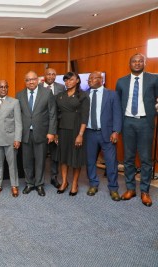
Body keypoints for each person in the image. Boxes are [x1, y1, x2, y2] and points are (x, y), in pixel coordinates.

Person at [116, 53, 158, 207]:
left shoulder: (154, 79)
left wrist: (155, 111)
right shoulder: (121, 82)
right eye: (134, 61)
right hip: (127, 123)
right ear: (130, 63)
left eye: (141, 61)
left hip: (145, 123)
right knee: (128, 158)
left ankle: (145, 191)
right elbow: (118, 105)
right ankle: (130, 189)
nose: (137, 63)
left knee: (146, 159)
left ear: (145, 63)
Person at [16, 71, 57, 197]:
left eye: (33, 79)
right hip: (26, 133)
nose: (31, 82)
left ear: (38, 80)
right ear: (25, 81)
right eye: (28, 80)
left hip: (42, 133)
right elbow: (17, 116)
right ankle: (29, 183)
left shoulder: (47, 93)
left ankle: (39, 184)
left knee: (40, 160)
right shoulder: (19, 95)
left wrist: (51, 132)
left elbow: (52, 113)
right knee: (27, 161)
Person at [85, 71, 122, 201]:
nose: (90, 80)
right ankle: (93, 184)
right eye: (89, 79)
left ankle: (113, 188)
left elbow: (117, 114)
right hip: (89, 133)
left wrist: (116, 131)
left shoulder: (112, 94)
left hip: (107, 133)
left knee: (111, 162)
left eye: (93, 78)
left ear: (101, 79)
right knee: (90, 161)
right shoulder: (84, 95)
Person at [55, 72, 90, 196]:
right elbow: (56, 114)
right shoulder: (60, 95)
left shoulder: (83, 96)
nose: (68, 82)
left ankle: (75, 183)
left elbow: (85, 117)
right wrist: (55, 133)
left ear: (77, 80)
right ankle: (64, 182)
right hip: (62, 129)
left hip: (76, 129)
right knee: (63, 157)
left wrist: (80, 134)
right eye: (66, 80)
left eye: (71, 79)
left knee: (76, 158)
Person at [0, 80, 22, 197]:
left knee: (12, 165)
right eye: (1, 87)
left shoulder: (14, 102)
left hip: (10, 139)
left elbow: (18, 122)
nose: (3, 89)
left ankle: (14, 185)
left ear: (7, 88)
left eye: (5, 87)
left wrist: (17, 139)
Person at [41, 68, 65, 188]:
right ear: (44, 75)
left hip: (57, 125)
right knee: (41, 153)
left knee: (55, 153)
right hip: (42, 125)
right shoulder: (38, 87)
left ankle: (54, 177)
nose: (51, 76)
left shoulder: (61, 87)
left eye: (53, 74)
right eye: (48, 74)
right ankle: (39, 178)